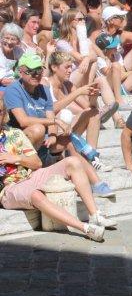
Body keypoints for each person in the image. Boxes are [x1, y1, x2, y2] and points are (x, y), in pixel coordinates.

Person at [0, 98, 116, 242]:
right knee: (35, 194)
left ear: (4, 113)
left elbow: (36, 163)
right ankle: (85, 228)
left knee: (73, 162)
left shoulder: (14, 134)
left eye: (0, 111)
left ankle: (95, 215)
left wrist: (16, 158)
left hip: (31, 176)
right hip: (9, 188)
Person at [0, 23, 23, 88]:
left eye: (13, 39)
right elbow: (3, 81)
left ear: (18, 42)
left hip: (14, 83)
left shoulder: (18, 51)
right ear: (1, 38)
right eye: (6, 38)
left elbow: (23, 69)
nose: (9, 42)